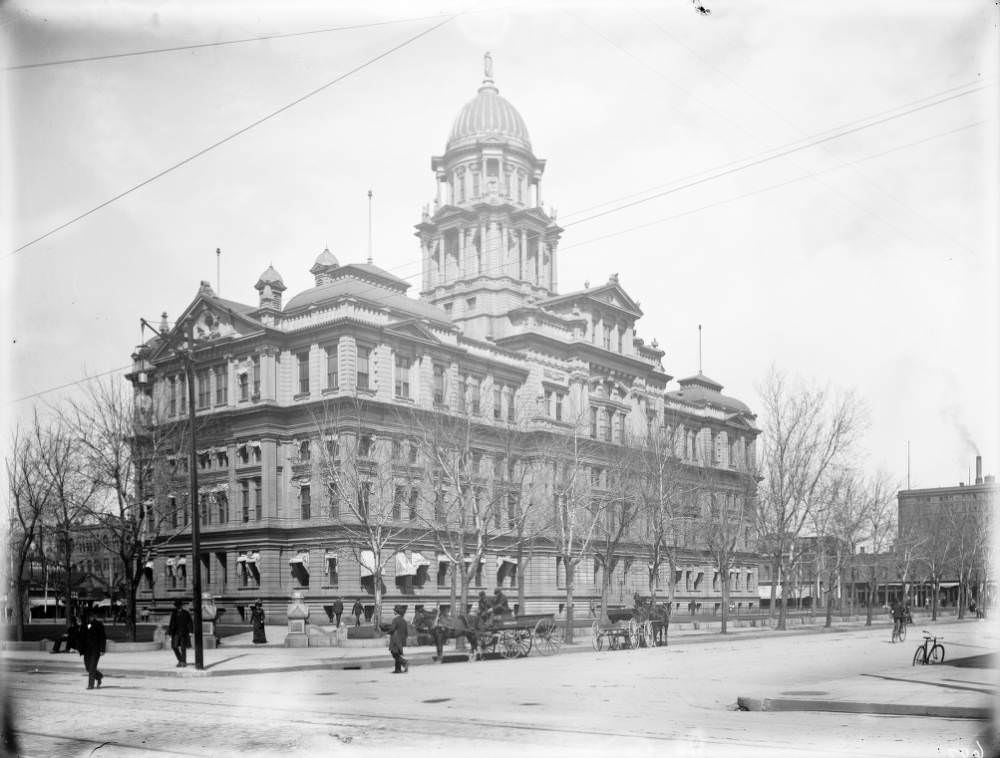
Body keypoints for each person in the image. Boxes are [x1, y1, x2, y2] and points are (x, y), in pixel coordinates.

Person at [78, 608, 106, 690]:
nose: (89, 617)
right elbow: (81, 638)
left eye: (91, 616)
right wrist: (79, 648)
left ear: (93, 616)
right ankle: (99, 676)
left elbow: (102, 638)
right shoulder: (84, 625)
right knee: (88, 667)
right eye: (88, 616)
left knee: (92, 667)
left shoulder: (99, 625)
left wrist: (102, 649)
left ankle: (91, 685)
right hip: (87, 650)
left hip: (96, 650)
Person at [167, 599, 193, 666]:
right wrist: (169, 633)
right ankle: (180, 660)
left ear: (181, 605)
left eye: (178, 605)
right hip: (175, 633)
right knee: (174, 647)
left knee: (183, 647)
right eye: (176, 605)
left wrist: (190, 631)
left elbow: (190, 622)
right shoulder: (174, 613)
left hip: (183, 632)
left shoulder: (186, 613)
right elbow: (171, 623)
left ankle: (183, 662)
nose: (177, 606)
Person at [388, 605, 409, 674]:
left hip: (395, 639)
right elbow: (406, 632)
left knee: (394, 653)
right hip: (401, 640)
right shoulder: (404, 620)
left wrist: (387, 631)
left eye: (394, 611)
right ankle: (398, 669)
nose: (393, 612)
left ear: (396, 612)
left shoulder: (395, 620)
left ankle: (404, 662)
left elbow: (392, 629)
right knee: (397, 654)